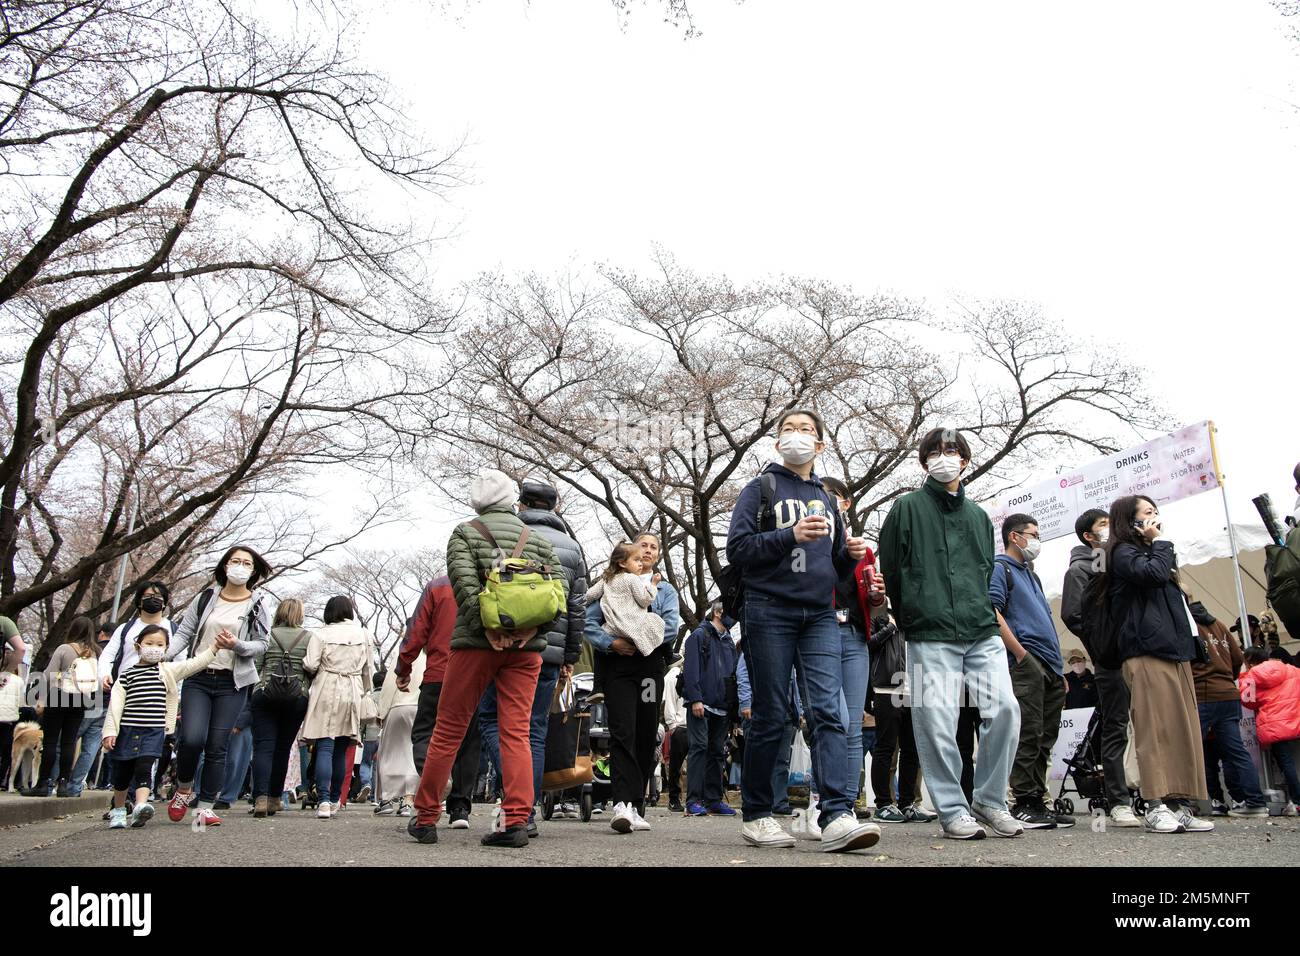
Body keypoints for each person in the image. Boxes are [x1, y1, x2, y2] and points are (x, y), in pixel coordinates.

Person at [726, 408, 880, 853]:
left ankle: (837, 814)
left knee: (830, 712)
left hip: (819, 615)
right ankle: (757, 814)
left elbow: (831, 568)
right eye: (788, 430)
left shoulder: (828, 498)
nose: (797, 436)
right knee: (773, 713)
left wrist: (849, 556)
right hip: (767, 609)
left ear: (821, 445)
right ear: (777, 443)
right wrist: (789, 535)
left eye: (807, 431)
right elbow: (738, 550)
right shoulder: (761, 488)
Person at [878, 427, 1022, 840]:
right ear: (924, 461)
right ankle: (952, 809)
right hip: (928, 630)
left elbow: (982, 569)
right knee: (936, 721)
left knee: (1006, 710)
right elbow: (892, 567)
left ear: (965, 459)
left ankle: (990, 800)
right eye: (937, 451)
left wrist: (983, 611)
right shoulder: (905, 508)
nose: (946, 457)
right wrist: (912, 615)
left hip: (981, 628)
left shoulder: (978, 515)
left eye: (953, 451)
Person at [408, 469, 563, 848]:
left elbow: (464, 586)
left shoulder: (465, 533)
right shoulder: (537, 541)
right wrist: (530, 632)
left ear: (476, 502)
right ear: (512, 498)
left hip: (476, 645)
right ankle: (515, 822)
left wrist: (490, 629)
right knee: (516, 732)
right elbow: (556, 594)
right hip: (526, 651)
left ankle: (426, 817)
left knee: (448, 729)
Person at [476, 479, 587, 837]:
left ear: (520, 504)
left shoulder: (510, 536)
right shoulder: (572, 547)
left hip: (505, 643)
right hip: (550, 650)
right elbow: (576, 606)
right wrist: (569, 654)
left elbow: (488, 588)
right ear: (555, 507)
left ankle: (516, 804)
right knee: (535, 730)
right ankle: (527, 811)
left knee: (494, 719)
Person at [1105, 494, 1212, 834]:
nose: (1155, 518)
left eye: (1155, 512)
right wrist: (1161, 543)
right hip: (1145, 650)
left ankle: (1179, 803)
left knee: (1182, 730)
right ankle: (1154, 804)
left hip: (1174, 650)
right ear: (1130, 520)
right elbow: (1149, 576)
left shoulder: (1157, 553)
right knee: (1155, 730)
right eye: (1147, 513)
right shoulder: (1123, 553)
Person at [167, 546, 273, 827]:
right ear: (225, 566)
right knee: (192, 738)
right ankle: (184, 787)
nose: (240, 566)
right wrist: (165, 657)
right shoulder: (205, 598)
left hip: (232, 683)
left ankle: (205, 806)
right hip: (198, 676)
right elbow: (186, 632)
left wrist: (236, 645)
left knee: (217, 745)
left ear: (254, 571)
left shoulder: (258, 604)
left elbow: (263, 644)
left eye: (246, 563)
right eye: (235, 561)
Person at [585, 532, 680, 835]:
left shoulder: (663, 589)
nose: (648, 550)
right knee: (622, 729)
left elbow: (670, 626)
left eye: (654, 546)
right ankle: (621, 803)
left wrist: (640, 637)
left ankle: (637, 805)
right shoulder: (610, 583)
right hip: (618, 666)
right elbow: (590, 623)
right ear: (630, 555)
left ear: (658, 554)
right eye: (643, 546)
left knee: (645, 731)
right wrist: (612, 643)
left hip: (649, 667)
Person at [991, 513, 1071, 830]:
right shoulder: (1000, 568)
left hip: (1050, 664)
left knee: (1046, 735)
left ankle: (1038, 799)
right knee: (1028, 732)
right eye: (1032, 534)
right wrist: (1021, 655)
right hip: (1027, 661)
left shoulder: (1032, 575)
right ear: (1014, 536)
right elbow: (993, 611)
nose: (1036, 540)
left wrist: (1059, 667)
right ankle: (1023, 801)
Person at [1060, 507, 1137, 826]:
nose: (1111, 529)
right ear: (1088, 536)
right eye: (1103, 525)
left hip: (1138, 655)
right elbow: (1072, 615)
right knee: (1115, 728)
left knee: (1146, 727)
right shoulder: (1079, 569)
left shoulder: (1117, 564)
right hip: (1110, 660)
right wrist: (1103, 643)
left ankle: (1158, 795)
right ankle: (1119, 800)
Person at [102, 625, 219, 828]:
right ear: (138, 646)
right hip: (127, 731)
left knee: (145, 768)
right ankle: (119, 809)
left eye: (160, 644)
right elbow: (115, 707)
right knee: (122, 773)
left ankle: (140, 806)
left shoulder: (167, 671)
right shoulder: (126, 676)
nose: (154, 648)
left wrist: (214, 648)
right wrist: (110, 731)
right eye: (149, 643)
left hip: (153, 731)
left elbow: (195, 664)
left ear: (166, 649)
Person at [819, 476, 887, 817]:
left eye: (837, 497)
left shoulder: (864, 549)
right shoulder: (812, 544)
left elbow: (876, 605)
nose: (832, 501)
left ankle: (846, 801)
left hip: (856, 636)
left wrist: (877, 595)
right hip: (821, 635)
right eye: (825, 495)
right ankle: (826, 799)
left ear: (846, 504)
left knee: (853, 722)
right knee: (832, 718)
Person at [396, 577, 480, 828]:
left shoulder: (437, 587)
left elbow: (417, 629)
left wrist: (404, 666)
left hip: (438, 674)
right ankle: (460, 809)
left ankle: (436, 779)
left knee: (424, 733)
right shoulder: (487, 583)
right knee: (468, 741)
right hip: (475, 676)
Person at [1183, 587, 1268, 817]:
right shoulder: (1218, 623)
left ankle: (1183, 803)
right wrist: (1225, 678)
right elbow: (1238, 658)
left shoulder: (1185, 623)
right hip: (1227, 694)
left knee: (1189, 751)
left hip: (1202, 693)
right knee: (1236, 752)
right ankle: (1255, 802)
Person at [301, 596, 376, 819]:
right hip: (352, 689)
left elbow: (311, 664)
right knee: (343, 749)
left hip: (326, 687)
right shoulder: (363, 634)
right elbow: (368, 671)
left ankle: (323, 800)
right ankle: (335, 799)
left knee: (325, 746)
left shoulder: (320, 633)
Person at [22, 616, 100, 797]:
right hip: (80, 700)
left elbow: (49, 675)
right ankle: (63, 784)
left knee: (50, 741)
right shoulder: (94, 652)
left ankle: (43, 784)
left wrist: (41, 699)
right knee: (69, 742)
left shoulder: (64, 649)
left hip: (59, 696)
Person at [249, 598, 312, 818]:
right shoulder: (308, 637)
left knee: (264, 747)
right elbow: (312, 668)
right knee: (283, 749)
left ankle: (260, 798)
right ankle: (275, 798)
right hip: (296, 698)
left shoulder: (267, 635)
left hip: (265, 694)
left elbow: (255, 667)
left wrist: (258, 689)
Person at [867, 615, 932, 823]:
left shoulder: (915, 615)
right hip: (886, 688)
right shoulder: (880, 614)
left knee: (912, 750)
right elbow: (868, 644)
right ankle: (883, 804)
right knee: (885, 748)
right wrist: (890, 627)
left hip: (915, 689)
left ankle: (907, 803)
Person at [682, 600, 739, 817]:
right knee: (699, 748)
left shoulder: (728, 643)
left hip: (722, 707)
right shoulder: (699, 635)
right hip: (702, 704)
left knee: (717, 752)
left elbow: (732, 677)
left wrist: (732, 709)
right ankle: (693, 800)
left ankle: (713, 799)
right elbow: (691, 669)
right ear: (717, 612)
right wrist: (695, 698)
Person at [735, 654, 799, 815]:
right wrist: (745, 703)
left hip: (786, 713)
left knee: (782, 762)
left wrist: (799, 709)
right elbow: (743, 675)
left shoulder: (788, 649)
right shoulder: (752, 647)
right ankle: (754, 802)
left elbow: (794, 682)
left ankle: (779, 801)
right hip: (759, 712)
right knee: (756, 759)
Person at [1240, 645, 1300, 807]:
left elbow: (1248, 701)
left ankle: (1297, 800)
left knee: (1286, 763)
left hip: (1275, 724)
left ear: (1250, 662)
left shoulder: (1252, 675)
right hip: (1296, 720)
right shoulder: (1291, 669)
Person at [586, 543, 666, 657]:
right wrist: (653, 585)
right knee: (656, 621)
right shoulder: (632, 578)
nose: (640, 564)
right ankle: (668, 655)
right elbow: (645, 600)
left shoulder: (606, 579)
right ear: (622, 563)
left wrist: (577, 603)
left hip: (612, 627)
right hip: (633, 625)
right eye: (637, 560)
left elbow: (590, 595)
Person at [376, 655, 422, 816]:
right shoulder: (432, 654)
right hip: (421, 707)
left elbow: (389, 685)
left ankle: (386, 799)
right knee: (413, 754)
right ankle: (408, 800)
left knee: (389, 754)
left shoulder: (404, 653)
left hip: (398, 706)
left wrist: (381, 712)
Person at [662, 655, 688, 812]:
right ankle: (674, 798)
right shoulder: (673, 677)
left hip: (686, 724)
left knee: (679, 766)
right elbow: (670, 702)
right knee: (676, 765)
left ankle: (682, 798)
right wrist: (672, 724)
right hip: (680, 725)